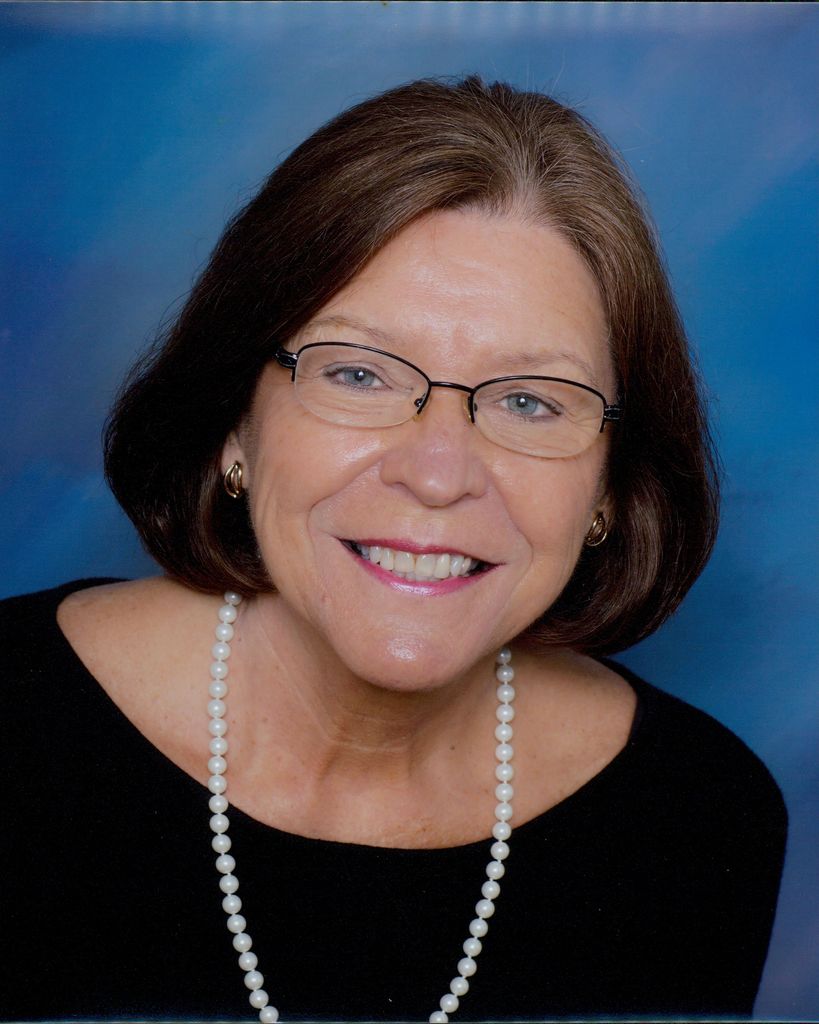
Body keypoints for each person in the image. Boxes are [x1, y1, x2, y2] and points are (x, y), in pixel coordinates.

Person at [4, 76, 786, 1021]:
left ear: (609, 492)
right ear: (234, 424)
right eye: (359, 375)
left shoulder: (699, 822)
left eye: (529, 400)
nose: (438, 472)